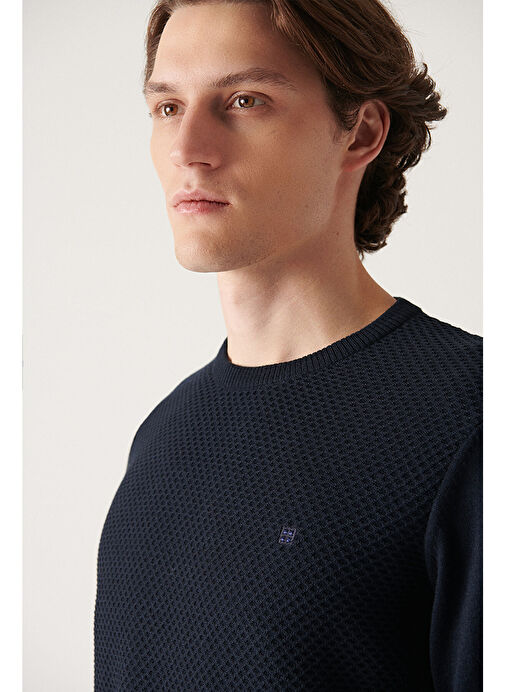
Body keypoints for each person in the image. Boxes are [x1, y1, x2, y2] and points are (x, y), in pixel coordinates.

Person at [93, 1, 482, 690]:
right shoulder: (164, 436)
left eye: (244, 100)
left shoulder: (471, 418)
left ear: (360, 132)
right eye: (168, 107)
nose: (187, 148)